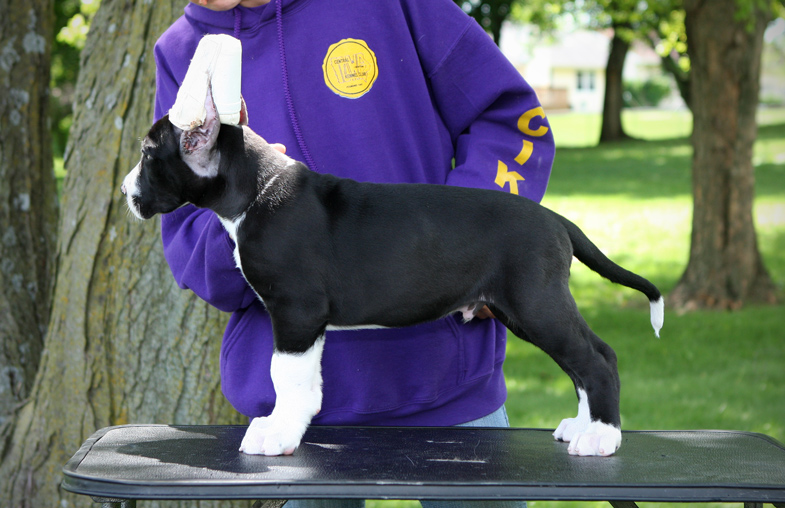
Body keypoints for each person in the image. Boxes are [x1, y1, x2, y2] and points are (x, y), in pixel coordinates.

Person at [154, 0, 554, 506]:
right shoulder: (180, 52)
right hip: (299, 420)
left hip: (448, 385)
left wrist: (477, 254)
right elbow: (186, 235)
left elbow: (509, 120)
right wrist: (248, 216)